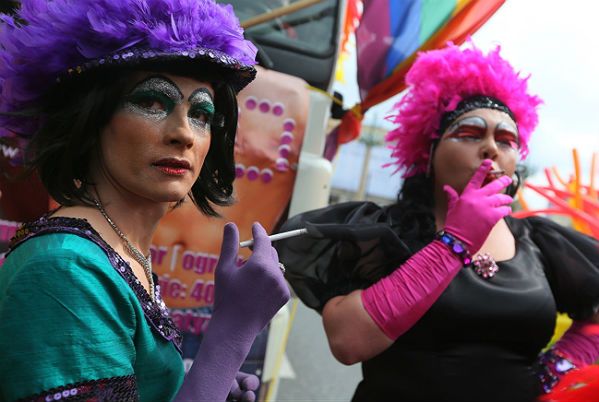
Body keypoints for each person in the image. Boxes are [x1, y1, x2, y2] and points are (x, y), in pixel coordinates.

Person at [276, 42, 599, 402]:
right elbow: (347, 342)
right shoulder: (385, 231)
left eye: (506, 140)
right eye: (470, 134)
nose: (491, 148)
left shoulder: (539, 242)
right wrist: (454, 242)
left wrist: (557, 370)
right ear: (428, 154)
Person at [0, 1, 290, 401]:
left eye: (202, 114)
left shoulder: (117, 251)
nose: (184, 133)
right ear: (92, 117)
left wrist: (201, 382)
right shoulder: (65, 269)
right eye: (153, 103)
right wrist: (229, 338)